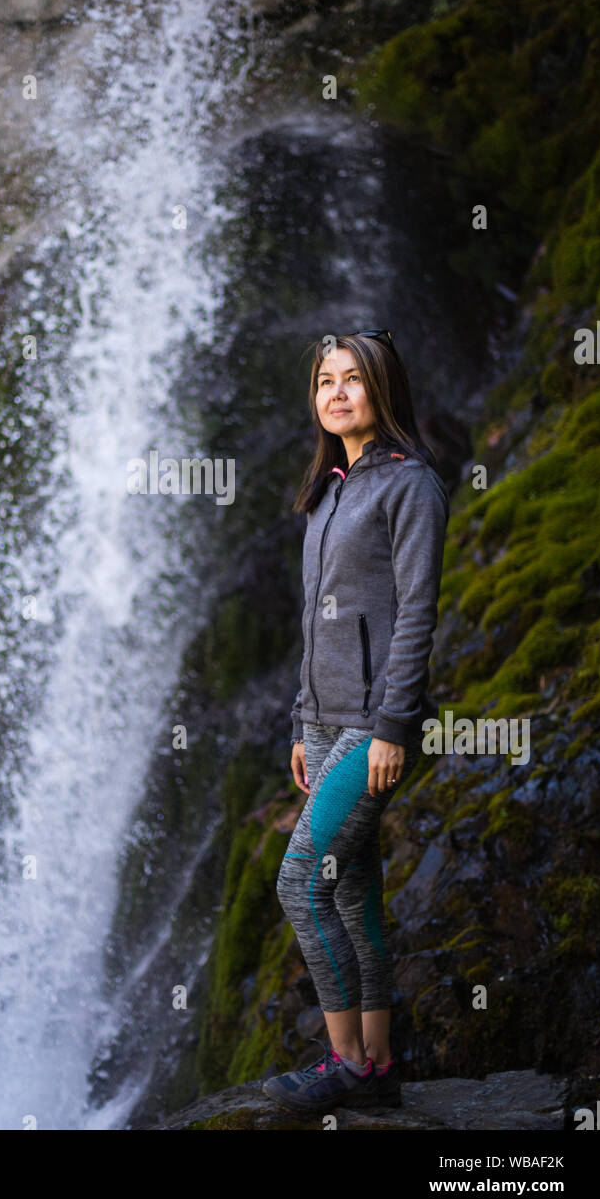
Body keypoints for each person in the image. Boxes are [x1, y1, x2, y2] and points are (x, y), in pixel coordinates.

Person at [262, 329, 450, 1114]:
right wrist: (302, 723)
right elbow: (320, 623)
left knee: (302, 882)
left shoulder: (409, 485)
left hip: (371, 726)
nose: (336, 393)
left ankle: (347, 1067)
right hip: (324, 723)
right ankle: (377, 1062)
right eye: (323, 381)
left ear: (383, 388)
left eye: (352, 379)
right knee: (352, 889)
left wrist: (391, 728)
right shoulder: (330, 488)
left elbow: (415, 618)